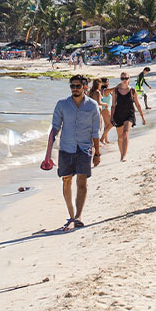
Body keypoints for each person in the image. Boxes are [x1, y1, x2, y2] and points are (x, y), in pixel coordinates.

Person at [43, 76, 101, 232]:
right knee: (66, 181)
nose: (74, 89)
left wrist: (98, 153)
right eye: (72, 86)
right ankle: (71, 215)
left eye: (77, 86)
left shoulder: (93, 106)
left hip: (84, 149)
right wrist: (48, 155)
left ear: (84, 87)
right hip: (66, 149)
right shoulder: (62, 105)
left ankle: (78, 217)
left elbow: (95, 131)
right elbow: (54, 129)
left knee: (82, 182)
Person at [110, 72, 146, 162]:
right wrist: (111, 117)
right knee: (120, 136)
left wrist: (142, 117)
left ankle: (124, 156)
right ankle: (121, 153)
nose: (124, 80)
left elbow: (137, 104)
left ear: (129, 79)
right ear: (120, 79)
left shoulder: (132, 91)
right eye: (122, 78)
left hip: (129, 114)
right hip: (118, 114)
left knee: (125, 132)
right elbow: (113, 105)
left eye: (126, 78)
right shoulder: (115, 91)